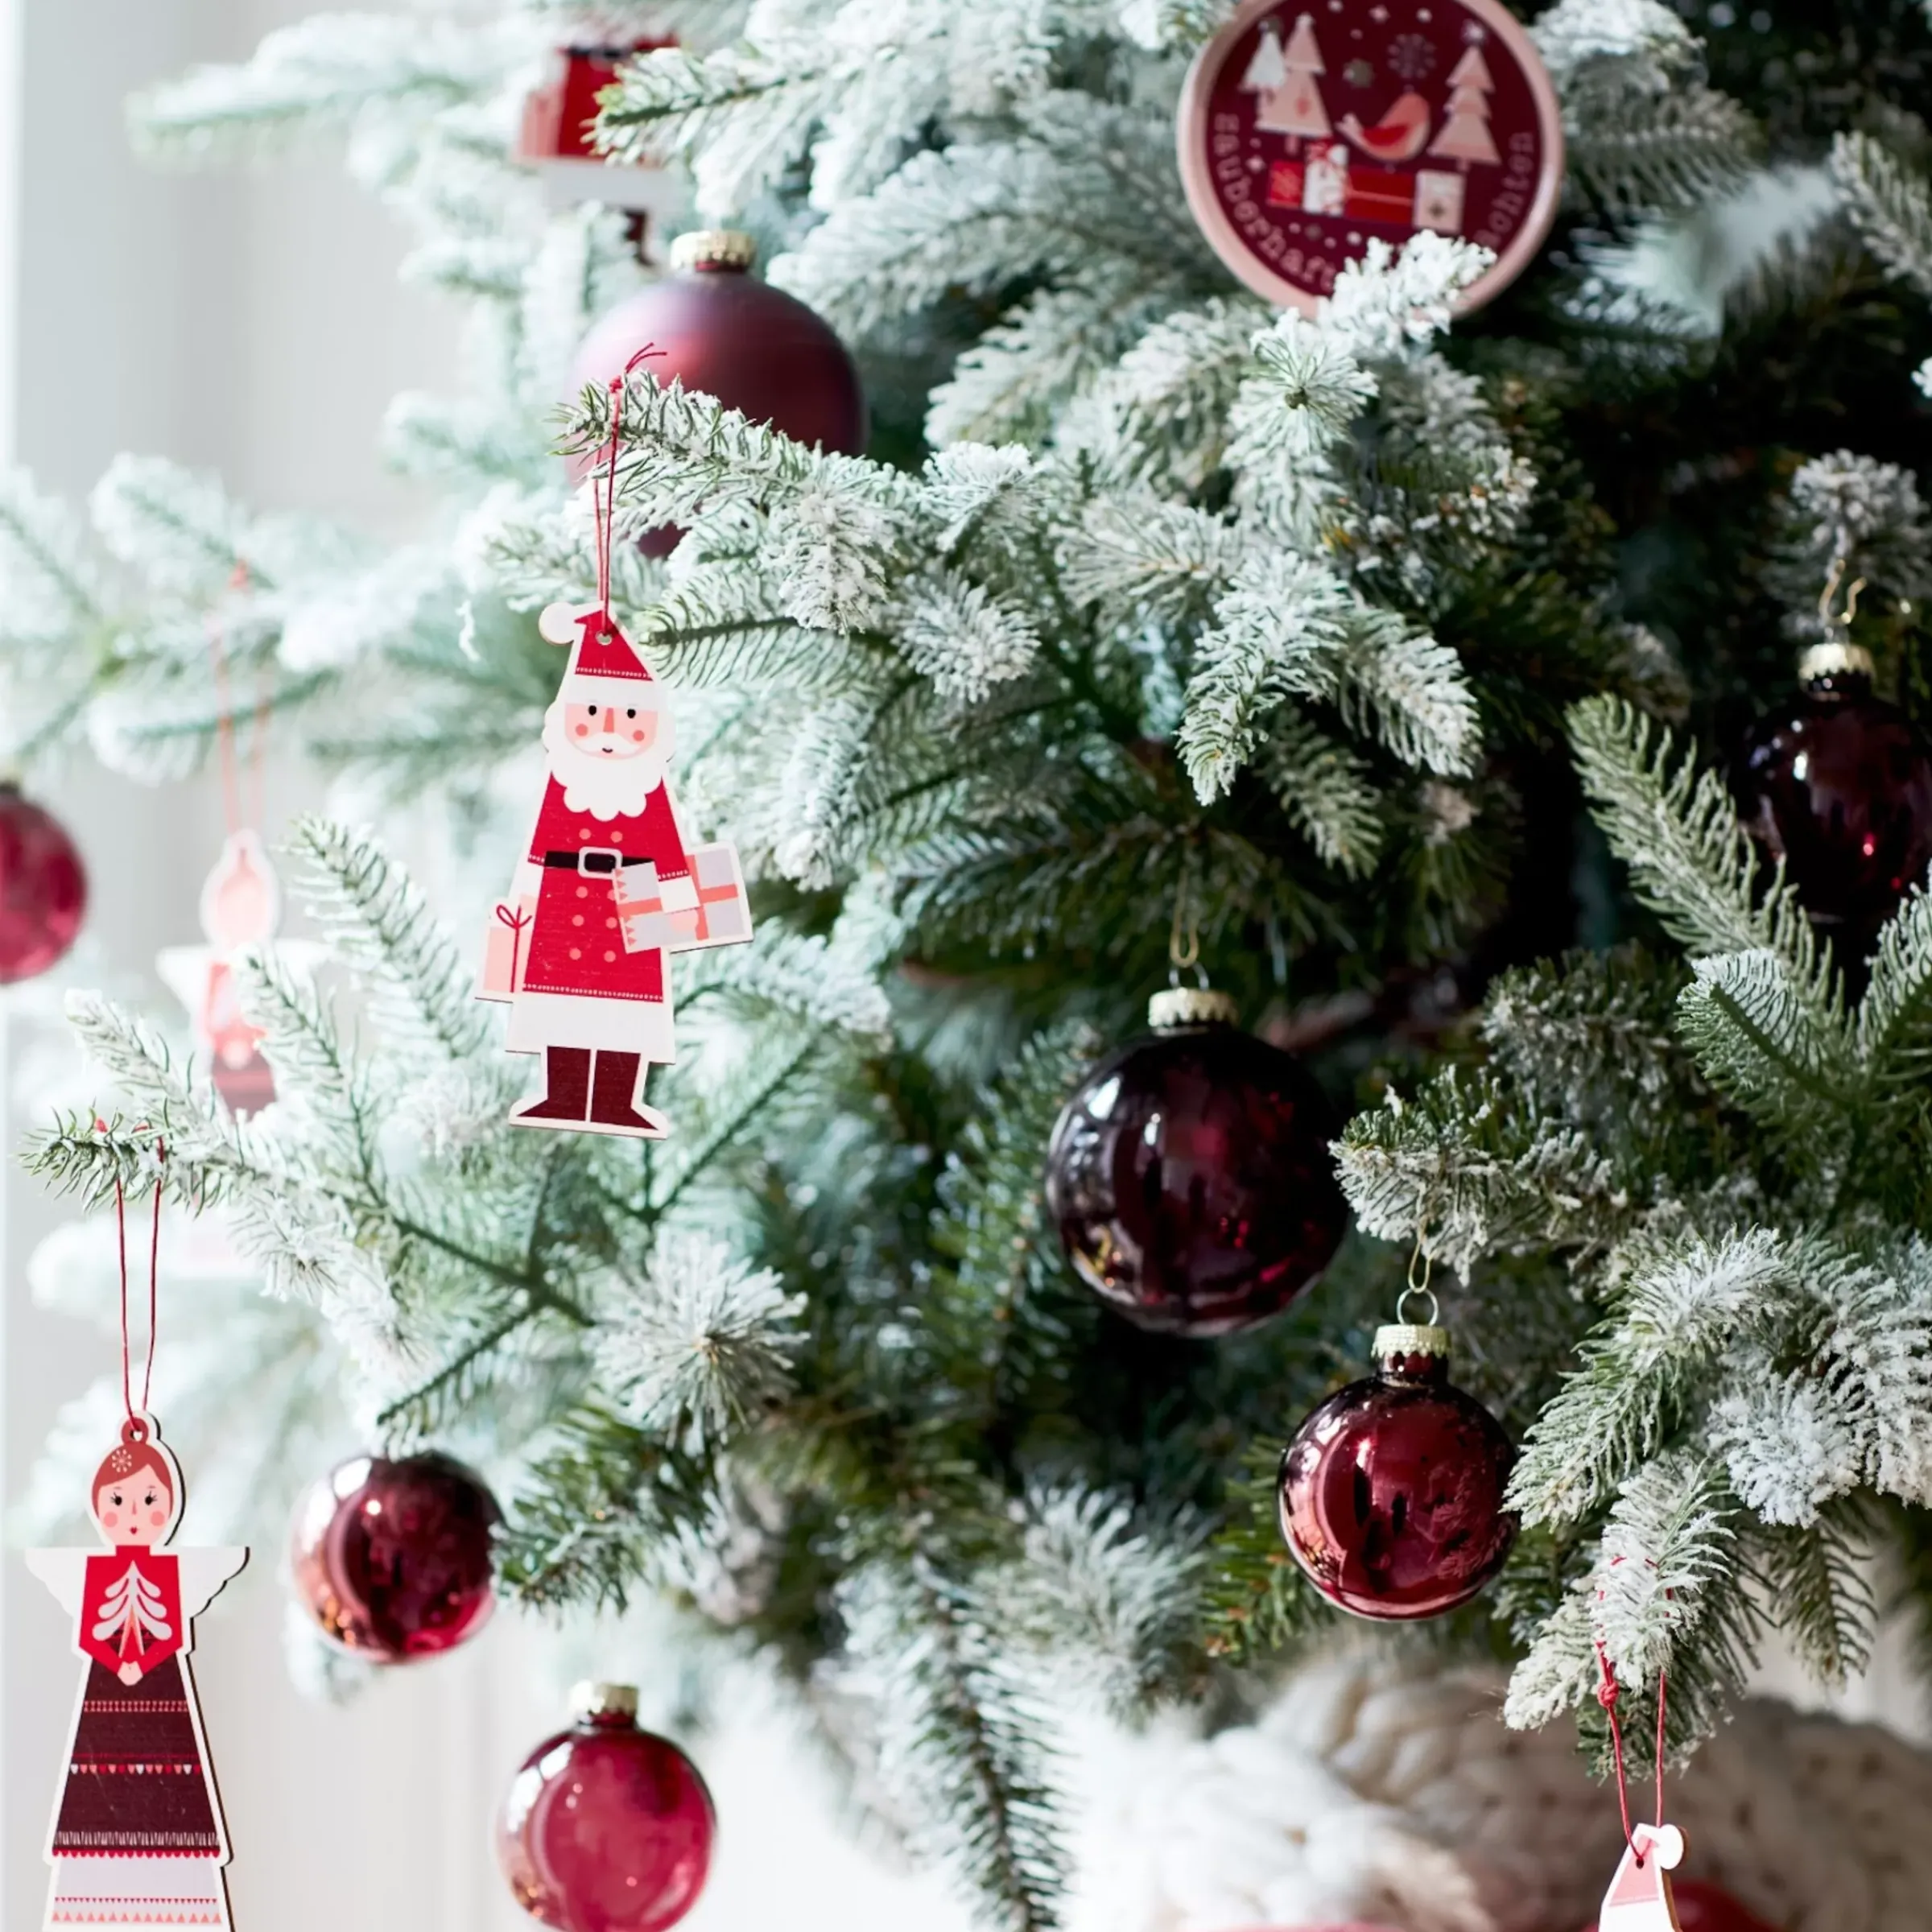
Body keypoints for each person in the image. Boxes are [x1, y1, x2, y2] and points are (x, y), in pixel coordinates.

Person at [480, 605, 708, 1137]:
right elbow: (540, 847)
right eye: (592, 714)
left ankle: (616, 1102)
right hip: (562, 903)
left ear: (652, 725)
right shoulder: (563, 783)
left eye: (629, 718)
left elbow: (668, 850)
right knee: (562, 1006)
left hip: (631, 904)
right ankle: (560, 1095)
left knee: (625, 1012)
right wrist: (523, 902)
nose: (610, 731)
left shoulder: (649, 791)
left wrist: (679, 903)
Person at [27, 1418, 246, 1930]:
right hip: (106, 1696)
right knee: (102, 1790)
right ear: (100, 1506)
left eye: (149, 1501)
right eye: (119, 1501)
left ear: (166, 1508)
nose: (134, 1515)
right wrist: (118, 1663)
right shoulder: (97, 1571)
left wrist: (141, 1663)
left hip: (161, 1688)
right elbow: (91, 1634)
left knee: (169, 1785)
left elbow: (170, 1634)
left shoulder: (167, 1571)